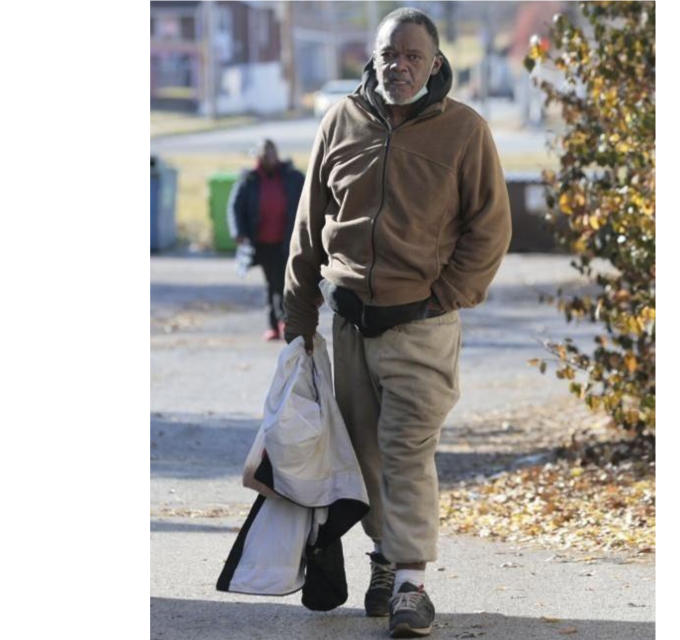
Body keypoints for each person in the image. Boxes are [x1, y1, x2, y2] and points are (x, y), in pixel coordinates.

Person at [283, 7, 512, 637]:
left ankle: (411, 584)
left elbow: (490, 228)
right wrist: (298, 318)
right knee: (367, 457)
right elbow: (309, 226)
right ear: (373, 57)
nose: (400, 66)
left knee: (407, 450)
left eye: (413, 56)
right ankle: (385, 558)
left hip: (423, 326)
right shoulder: (341, 120)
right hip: (350, 324)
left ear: (435, 63)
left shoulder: (464, 131)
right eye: (390, 54)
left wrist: (447, 295)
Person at [228, 139, 305, 341]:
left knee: (281, 281)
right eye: (264, 155)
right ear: (258, 157)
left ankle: (282, 320)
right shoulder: (249, 180)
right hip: (261, 241)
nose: (268, 158)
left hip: (286, 240)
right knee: (272, 283)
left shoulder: (292, 177)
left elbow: (309, 198)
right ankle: (277, 323)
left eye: (271, 153)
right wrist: (239, 232)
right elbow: (234, 207)